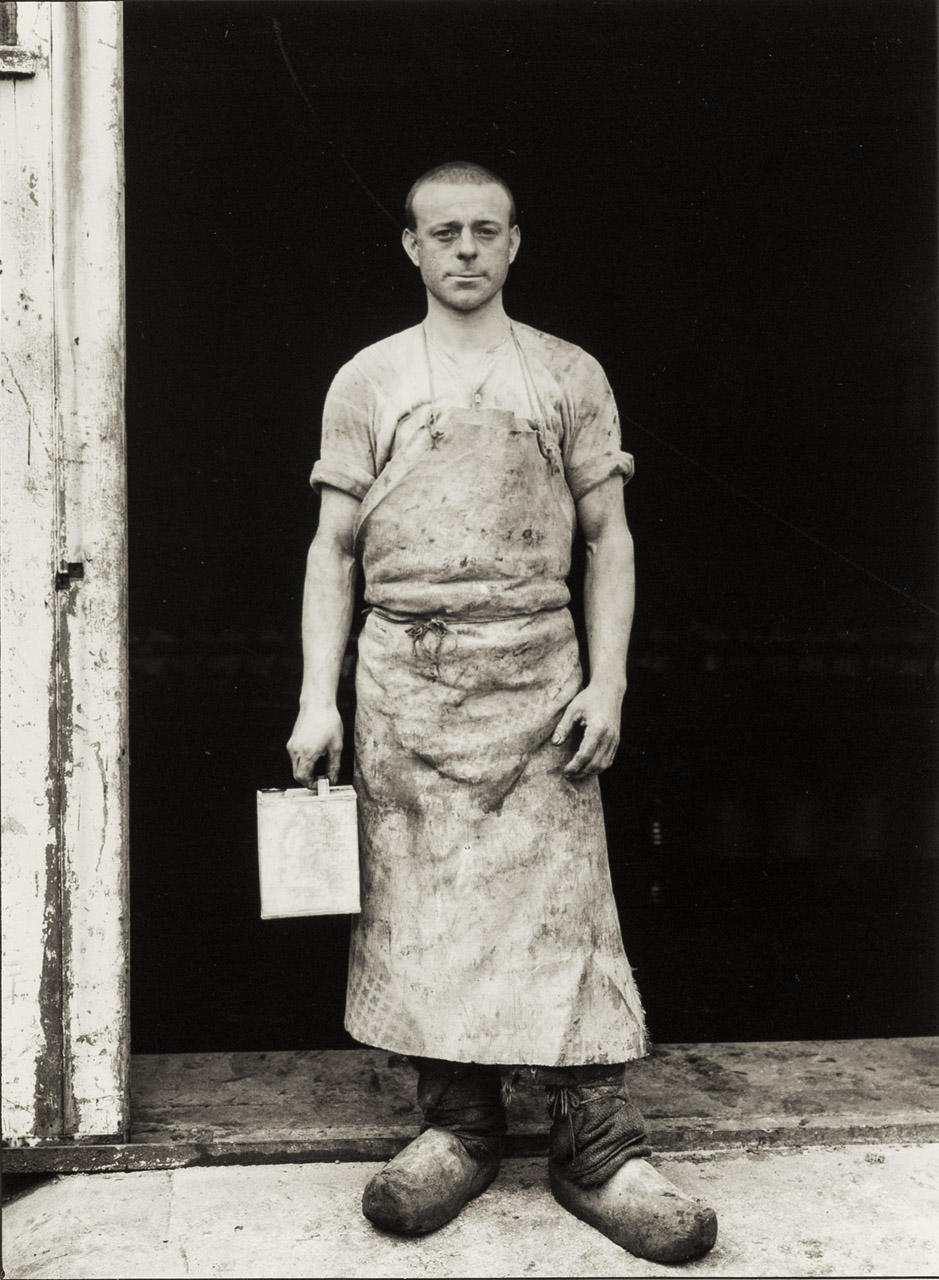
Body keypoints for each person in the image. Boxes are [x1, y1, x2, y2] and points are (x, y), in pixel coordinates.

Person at [287, 161, 717, 1263]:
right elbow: (333, 549)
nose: (466, 249)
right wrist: (314, 698)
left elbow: (608, 538)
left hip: (539, 676)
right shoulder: (368, 380)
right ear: (413, 248)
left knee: (565, 907)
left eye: (486, 230)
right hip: (404, 682)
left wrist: (608, 680)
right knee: (423, 908)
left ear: (516, 243)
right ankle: (458, 1127)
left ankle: (598, 1144)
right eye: (445, 232)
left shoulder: (568, 374)